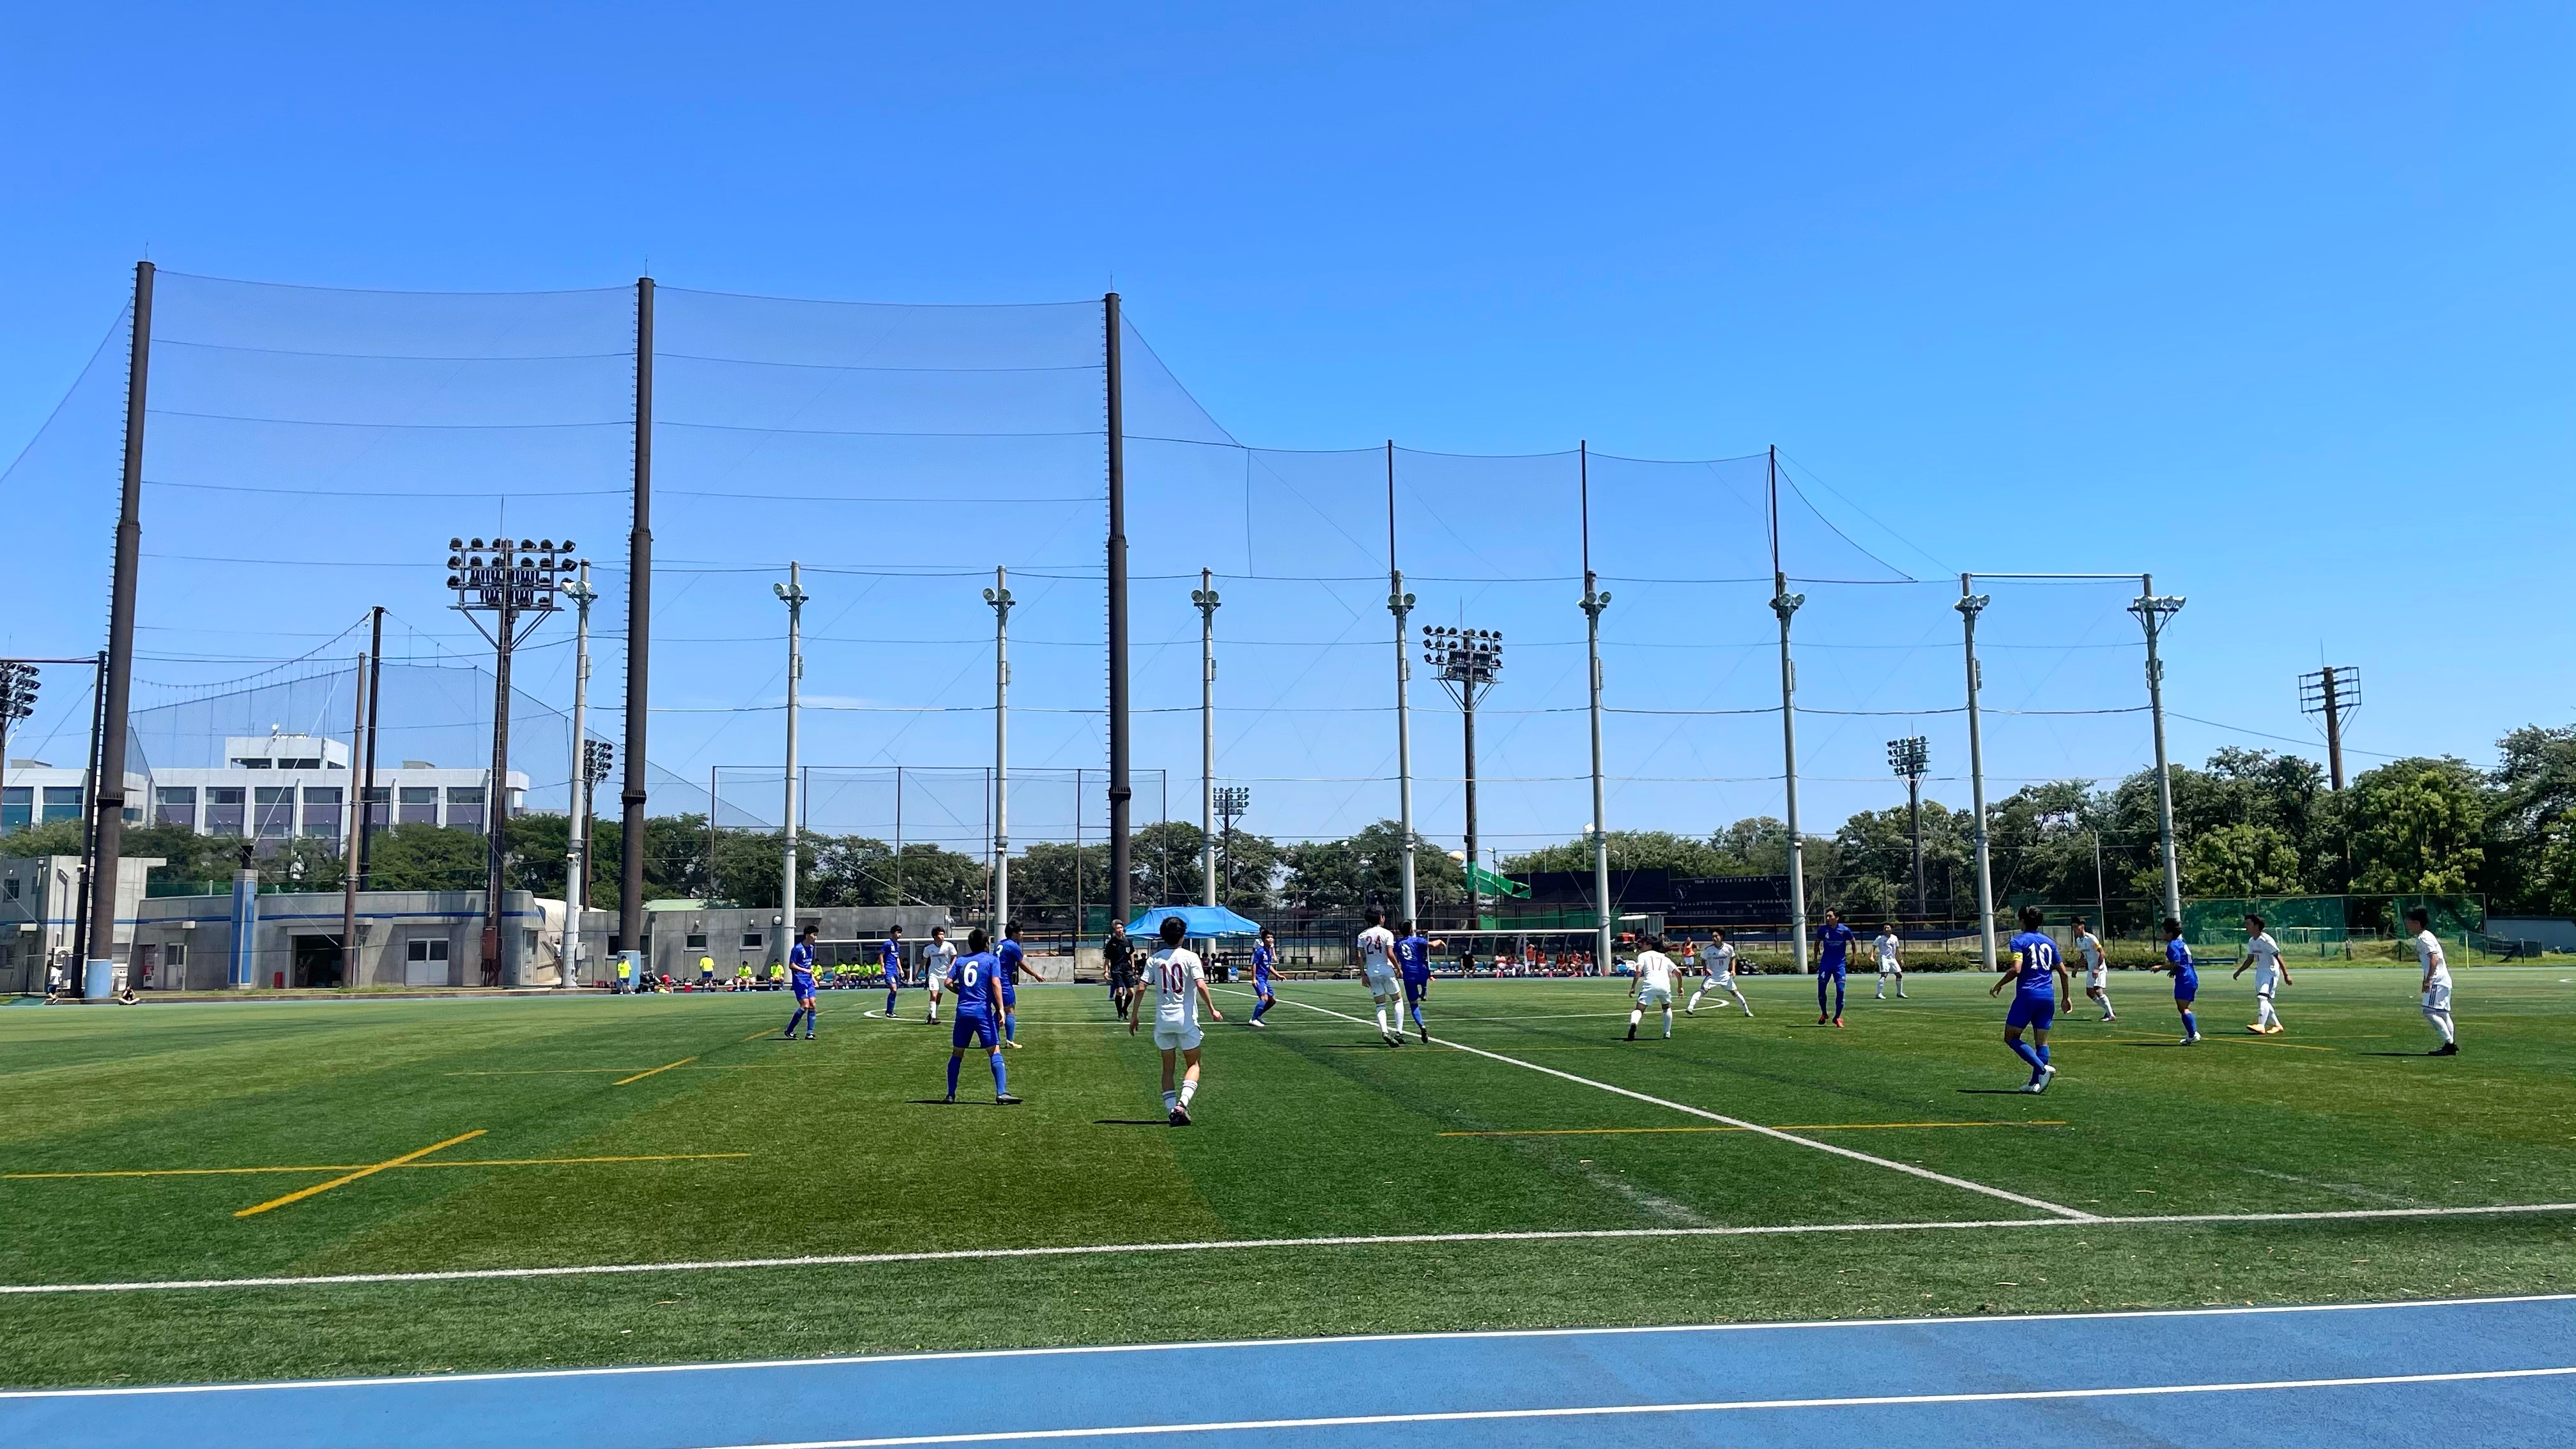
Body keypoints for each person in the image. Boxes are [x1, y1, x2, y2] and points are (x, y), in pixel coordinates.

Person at [1130, 913, 1222, 1124]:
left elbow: (1141, 988)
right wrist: (1212, 1009)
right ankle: (1181, 1105)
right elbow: (1200, 984)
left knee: (1168, 1069)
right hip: (1185, 1020)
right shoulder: (1191, 957)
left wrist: (1134, 1016)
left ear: (1162, 935)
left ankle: (1172, 1111)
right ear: (1183, 936)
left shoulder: (1154, 959)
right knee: (1194, 1065)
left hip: (1163, 1021)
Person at [1991, 905, 2074, 1092]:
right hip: (2047, 997)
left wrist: (1999, 984)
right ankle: (2035, 1084)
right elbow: (2063, 972)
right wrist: (2066, 997)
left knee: (2011, 1037)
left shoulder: (2018, 941)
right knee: (2041, 1042)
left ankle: (2043, 1069)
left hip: (2028, 996)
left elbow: (2016, 969)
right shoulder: (2049, 942)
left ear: (2022, 921)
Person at [942, 928, 1021, 1105]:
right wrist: (1001, 1009)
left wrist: (962, 992)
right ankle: (1001, 1093)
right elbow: (996, 983)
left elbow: (947, 983)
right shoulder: (992, 960)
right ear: (986, 944)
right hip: (982, 1012)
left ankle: (950, 1095)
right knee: (994, 1051)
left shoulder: (961, 961)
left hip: (963, 1012)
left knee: (957, 1053)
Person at [2232, 913, 2293, 1035]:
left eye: (2248, 924)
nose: (2246, 926)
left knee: (2262, 998)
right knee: (2264, 1000)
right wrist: (2239, 971)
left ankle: (2261, 1025)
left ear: (2256, 925)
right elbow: (2250, 959)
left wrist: (2286, 975)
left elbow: (2278, 957)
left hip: (2270, 972)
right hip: (2260, 972)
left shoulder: (2266, 940)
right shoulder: (2252, 941)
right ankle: (2277, 1025)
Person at [2409, 906, 2456, 1055]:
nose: (2407, 925)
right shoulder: (2427, 935)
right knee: (2443, 1013)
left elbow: (2434, 958)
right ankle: (2449, 1045)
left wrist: (2429, 979)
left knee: (2429, 1012)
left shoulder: (2424, 938)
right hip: (2443, 979)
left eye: (2409, 922)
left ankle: (2450, 1044)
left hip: (2437, 980)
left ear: (2417, 923)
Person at [1354, 907, 1404, 1046]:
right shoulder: (1387, 933)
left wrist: (1363, 974)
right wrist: (1398, 968)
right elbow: (1390, 954)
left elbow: (1359, 956)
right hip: (1386, 970)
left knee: (1380, 1004)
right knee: (1397, 1000)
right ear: (1381, 918)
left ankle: (1385, 1032)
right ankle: (1399, 1032)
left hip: (1372, 972)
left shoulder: (1362, 935)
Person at [1394, 919, 1447, 1043]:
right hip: (1422, 973)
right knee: (1424, 974)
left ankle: (1422, 1026)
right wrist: (1440, 941)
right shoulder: (1417, 940)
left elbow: (1390, 951)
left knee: (1414, 1005)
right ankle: (1424, 992)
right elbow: (1432, 945)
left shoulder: (1398, 944)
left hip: (1409, 975)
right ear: (1411, 930)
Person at [2156, 916, 2202, 1045]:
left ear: (2170, 934)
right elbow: (2182, 962)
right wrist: (2174, 971)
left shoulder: (2172, 945)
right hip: (2190, 977)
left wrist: (2160, 967)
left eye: (2163, 932)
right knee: (2183, 1007)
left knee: (2183, 1008)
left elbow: (2176, 963)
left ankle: (2193, 1034)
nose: (2161, 934)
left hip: (2185, 979)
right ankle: (2192, 1034)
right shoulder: (2181, 943)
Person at [1686, 930, 1753, 1017]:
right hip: (1713, 975)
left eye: (1716, 936)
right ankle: (1690, 1007)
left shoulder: (1729, 948)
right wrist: (1706, 969)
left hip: (1724, 975)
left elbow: (1733, 958)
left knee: (1735, 993)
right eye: (1713, 936)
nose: (1714, 938)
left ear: (1721, 937)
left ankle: (1747, 1011)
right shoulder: (1708, 949)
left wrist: (1733, 970)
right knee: (1703, 990)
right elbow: (1703, 960)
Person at [1625, 934, 1680, 1041]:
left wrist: (1633, 987)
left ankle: (1634, 1023)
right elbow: (1678, 972)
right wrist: (1680, 988)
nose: (1641, 946)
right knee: (1666, 1007)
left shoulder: (1643, 956)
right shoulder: (1664, 957)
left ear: (1649, 945)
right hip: (1664, 986)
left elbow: (1638, 971)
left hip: (1650, 985)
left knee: (1639, 1009)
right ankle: (1667, 1033)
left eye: (1643, 944)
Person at [1814, 908, 1854, 1027]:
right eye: (1826, 916)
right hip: (1825, 965)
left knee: (1841, 991)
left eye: (1830, 916)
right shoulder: (1823, 930)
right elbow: (1817, 942)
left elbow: (1853, 942)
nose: (1827, 918)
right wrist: (1815, 958)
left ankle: (1837, 1017)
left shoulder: (1844, 930)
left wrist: (1854, 957)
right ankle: (1824, 1013)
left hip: (1839, 965)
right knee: (1821, 990)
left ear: (1837, 918)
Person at [780, 926, 820, 1039]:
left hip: (808, 980)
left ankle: (809, 1033)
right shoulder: (797, 949)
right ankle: (789, 1030)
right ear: (807, 936)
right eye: (814, 935)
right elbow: (791, 965)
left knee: (813, 1004)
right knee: (805, 1005)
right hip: (799, 980)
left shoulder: (811, 948)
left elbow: (808, 965)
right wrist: (805, 970)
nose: (816, 937)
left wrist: (813, 978)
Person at [997, 919, 1032, 1047]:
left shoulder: (1000, 944)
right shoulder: (1013, 946)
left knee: (999, 1010)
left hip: (994, 980)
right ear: (1014, 933)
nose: (1022, 933)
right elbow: (1022, 964)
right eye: (1020, 931)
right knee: (1010, 1010)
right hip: (1004, 982)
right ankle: (1010, 1041)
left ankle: (992, 1039)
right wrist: (1035, 975)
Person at [2073, 916, 2113, 1020]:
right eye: (2073, 927)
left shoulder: (2091, 938)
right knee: (2090, 993)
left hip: (2099, 968)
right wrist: (2076, 968)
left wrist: (2097, 968)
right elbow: (2083, 956)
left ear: (2082, 927)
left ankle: (2111, 1015)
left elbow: (2102, 953)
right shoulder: (2079, 941)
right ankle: (2109, 1011)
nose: (2074, 929)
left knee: (2098, 991)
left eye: (2076, 927)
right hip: (2091, 969)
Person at [920, 924, 958, 1026]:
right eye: (940, 934)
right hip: (933, 974)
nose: (942, 936)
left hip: (945, 975)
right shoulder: (929, 949)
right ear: (935, 936)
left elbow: (955, 957)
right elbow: (924, 960)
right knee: (934, 995)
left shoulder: (949, 946)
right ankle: (934, 1018)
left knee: (938, 997)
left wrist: (951, 967)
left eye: (943, 934)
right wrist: (919, 971)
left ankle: (932, 1014)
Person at [1104, 920, 1137, 1017]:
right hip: (1116, 968)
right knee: (1119, 991)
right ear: (1115, 930)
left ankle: (1124, 1009)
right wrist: (1106, 971)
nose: (1120, 930)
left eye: (1121, 928)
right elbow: (1107, 958)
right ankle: (1120, 1013)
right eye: (1118, 928)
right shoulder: (1111, 943)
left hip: (1126, 968)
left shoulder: (1127, 941)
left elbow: (1131, 953)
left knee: (1131, 992)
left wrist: (1133, 966)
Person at [1247, 928, 1278, 1027]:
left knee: (1272, 1001)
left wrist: (1278, 975)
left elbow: (1268, 965)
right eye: (1268, 937)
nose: (1270, 939)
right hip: (1259, 978)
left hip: (1265, 979)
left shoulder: (1269, 951)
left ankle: (1258, 1016)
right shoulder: (1260, 951)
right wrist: (1254, 978)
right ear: (1264, 940)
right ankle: (1253, 1019)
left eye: (1272, 937)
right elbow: (1254, 964)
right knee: (1264, 998)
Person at [1873, 923, 1907, 1000]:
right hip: (1883, 958)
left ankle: (1899, 993)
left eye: (1888, 928)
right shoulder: (1880, 938)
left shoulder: (1894, 938)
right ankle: (1879, 994)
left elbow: (1897, 950)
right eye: (1885, 928)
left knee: (1899, 975)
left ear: (1891, 929)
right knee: (1884, 974)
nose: (1886, 929)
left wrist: (1901, 959)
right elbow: (1874, 946)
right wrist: (1872, 956)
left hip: (1892, 959)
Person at [878, 925, 905, 1018]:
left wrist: (901, 969)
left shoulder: (897, 945)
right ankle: (889, 1011)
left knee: (894, 991)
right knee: (894, 989)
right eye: (898, 933)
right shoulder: (888, 944)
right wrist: (883, 967)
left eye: (901, 933)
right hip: (888, 970)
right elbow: (881, 955)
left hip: (895, 971)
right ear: (893, 933)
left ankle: (890, 1011)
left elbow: (896, 958)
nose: (900, 935)